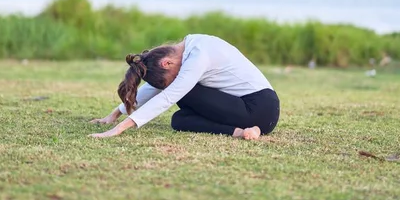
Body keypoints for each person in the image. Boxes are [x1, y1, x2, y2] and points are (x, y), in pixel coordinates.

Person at [89, 34, 280, 140]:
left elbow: (169, 95)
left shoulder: (199, 55)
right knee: (179, 120)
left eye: (168, 81)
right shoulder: (189, 48)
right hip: (243, 110)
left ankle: (252, 126)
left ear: (166, 63)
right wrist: (115, 114)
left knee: (180, 91)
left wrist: (119, 129)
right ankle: (241, 131)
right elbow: (159, 89)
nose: (169, 85)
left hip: (259, 107)